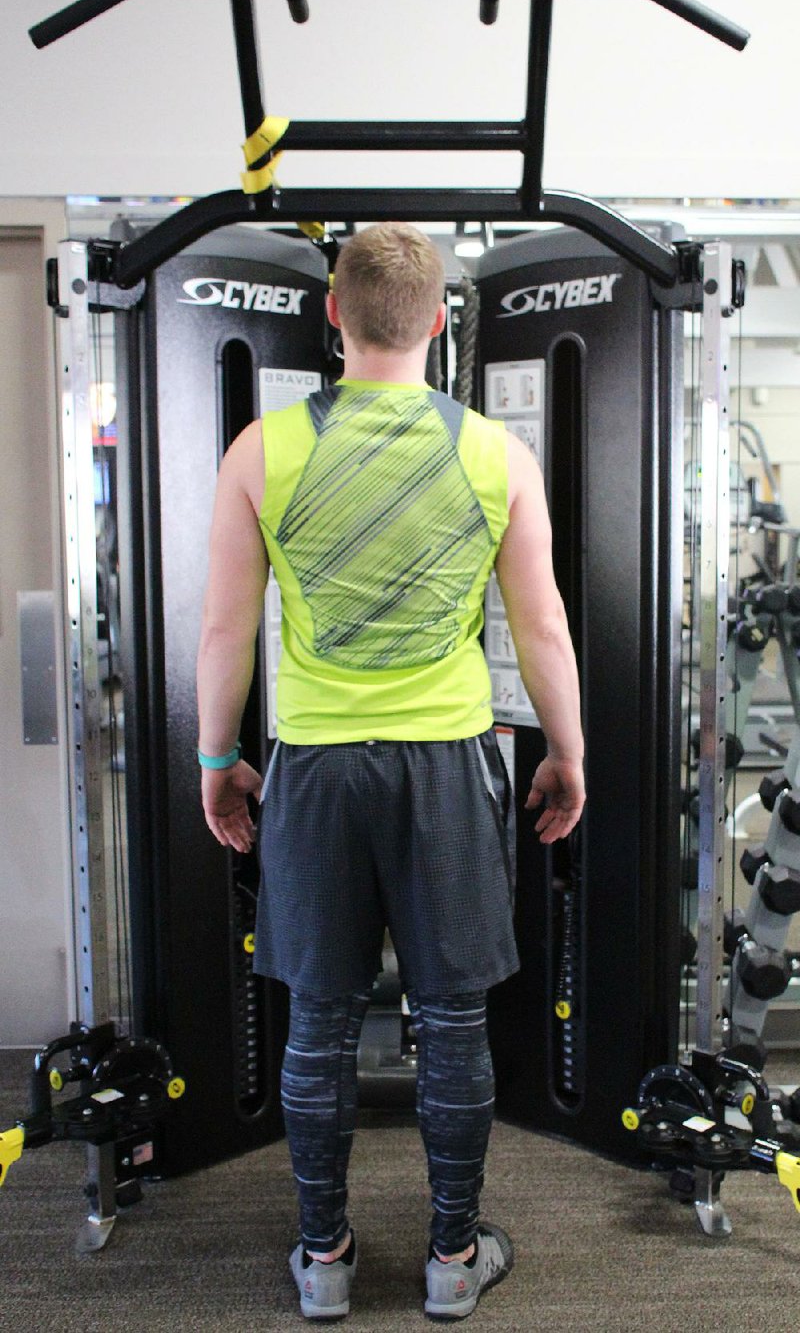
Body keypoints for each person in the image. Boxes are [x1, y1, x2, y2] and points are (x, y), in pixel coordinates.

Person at [197, 222, 585, 1321]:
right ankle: (450, 1262)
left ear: (332, 314)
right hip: (445, 767)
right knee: (449, 1020)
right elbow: (541, 625)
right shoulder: (493, 455)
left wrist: (216, 760)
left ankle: (322, 1263)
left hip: (315, 770)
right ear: (439, 322)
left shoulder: (258, 453)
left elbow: (225, 632)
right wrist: (566, 752)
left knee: (318, 1020)